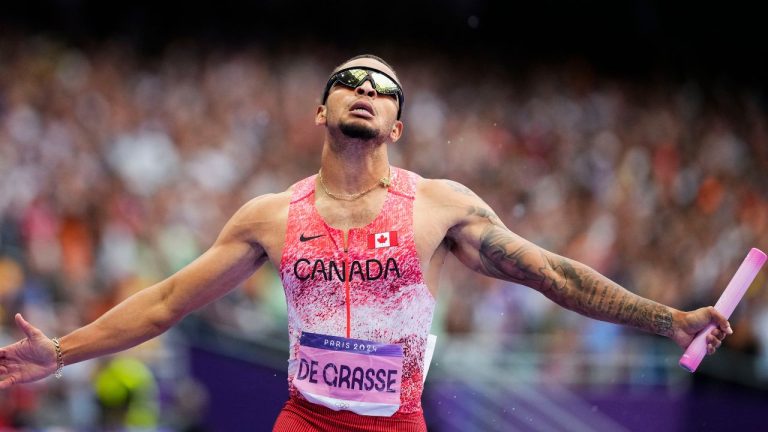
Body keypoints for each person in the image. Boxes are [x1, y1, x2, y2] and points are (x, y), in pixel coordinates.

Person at [0, 54, 732, 431]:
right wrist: (61, 351)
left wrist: (670, 319)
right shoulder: (269, 216)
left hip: (396, 426)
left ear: (397, 125)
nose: (363, 91)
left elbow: (554, 276)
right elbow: (164, 302)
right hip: (304, 420)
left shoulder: (440, 207)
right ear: (321, 110)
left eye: (381, 89)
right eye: (348, 82)